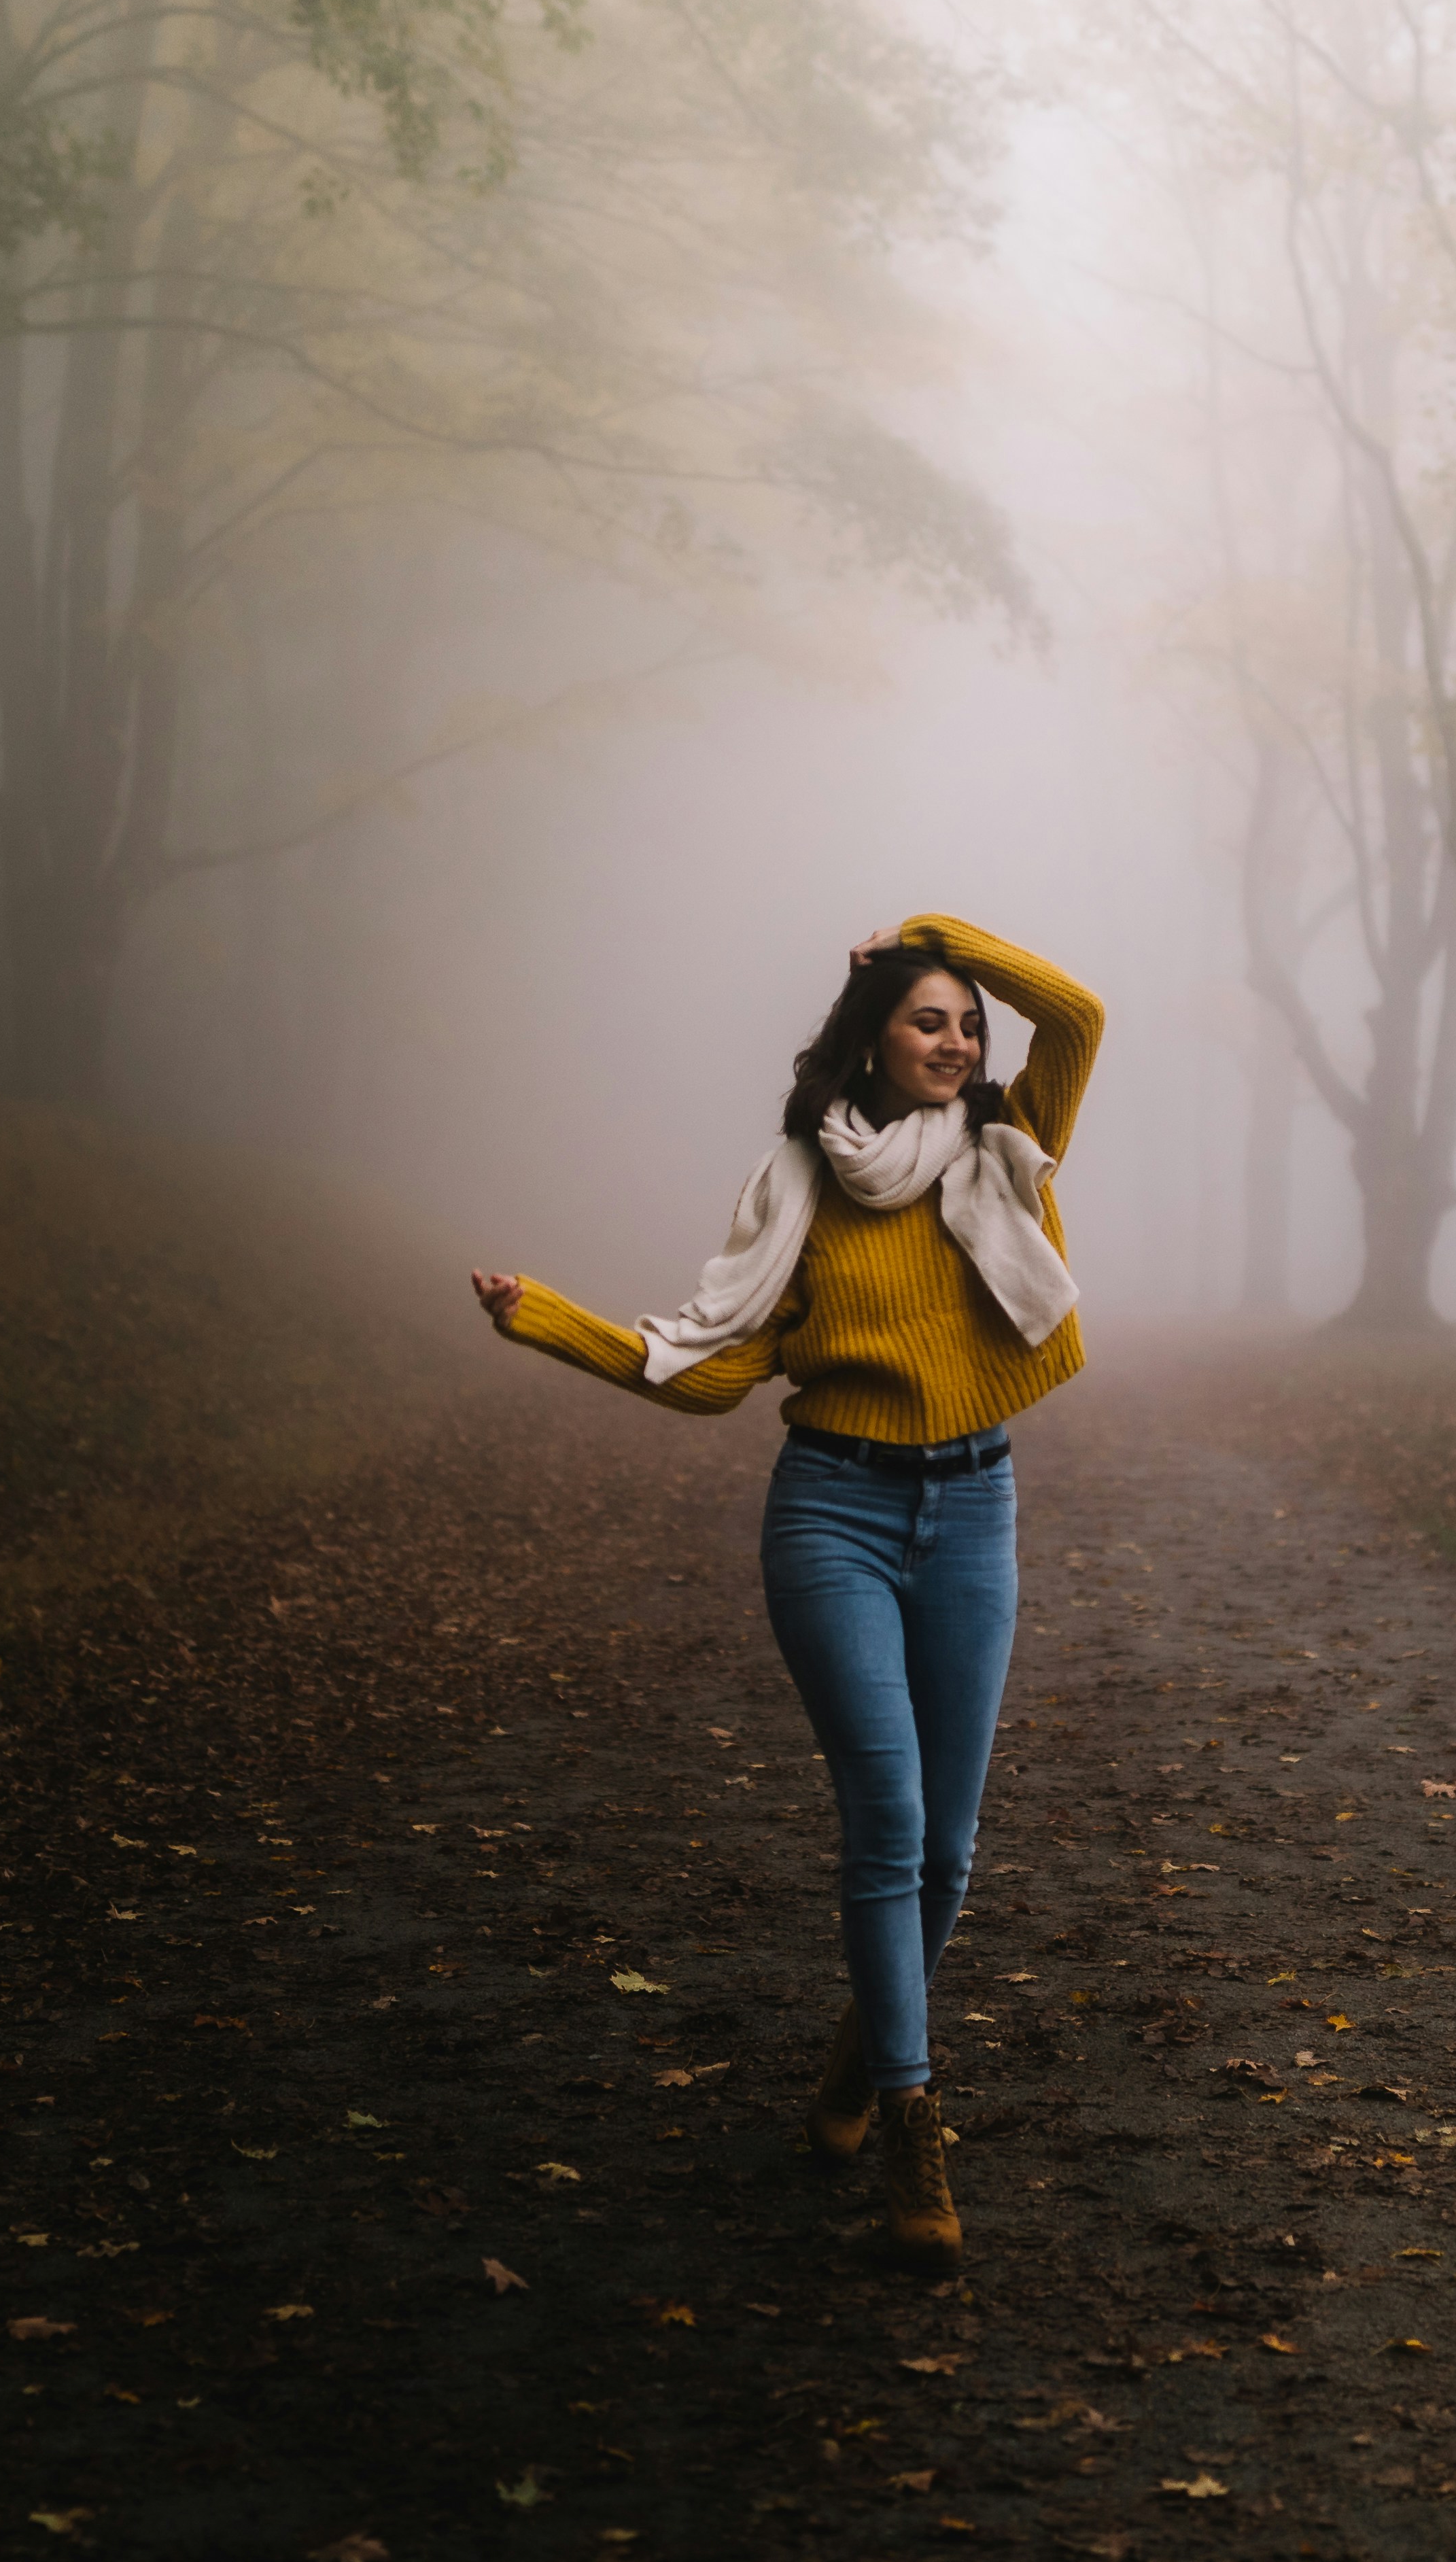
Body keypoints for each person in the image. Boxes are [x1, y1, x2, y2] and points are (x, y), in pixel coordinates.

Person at [471, 915, 1103, 2271]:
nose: (956, 1041)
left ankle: (863, 2054)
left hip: (976, 1504)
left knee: (949, 1846)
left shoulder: (1005, 1144)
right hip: (835, 1512)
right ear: (867, 1035)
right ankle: (913, 2125)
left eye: (966, 1022)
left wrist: (940, 930)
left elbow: (1079, 1013)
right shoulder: (801, 1182)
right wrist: (557, 1323)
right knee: (887, 1821)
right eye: (927, 1017)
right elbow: (716, 1368)